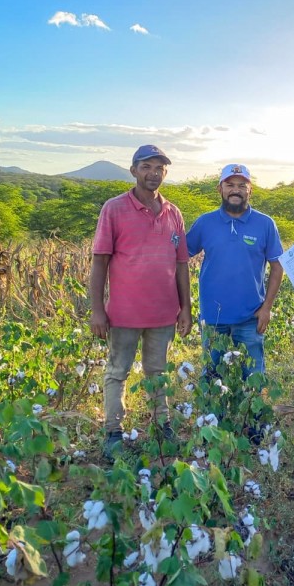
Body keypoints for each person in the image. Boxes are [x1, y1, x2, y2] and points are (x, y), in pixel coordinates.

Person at [90, 145, 192, 458]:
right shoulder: (115, 208)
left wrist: (185, 307)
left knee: (157, 371)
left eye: (159, 168)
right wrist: (97, 310)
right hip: (123, 313)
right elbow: (100, 261)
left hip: (163, 312)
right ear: (133, 170)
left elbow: (181, 264)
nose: (153, 173)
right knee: (117, 371)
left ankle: (162, 425)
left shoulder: (173, 212)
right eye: (146, 166)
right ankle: (113, 432)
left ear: (166, 172)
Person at [186, 164, 284, 379]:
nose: (236, 190)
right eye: (230, 185)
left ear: (250, 191)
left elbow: (277, 266)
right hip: (213, 317)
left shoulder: (265, 224)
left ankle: (252, 415)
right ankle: (215, 415)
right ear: (219, 189)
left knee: (252, 379)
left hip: (250, 316)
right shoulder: (205, 222)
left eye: (242, 185)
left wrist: (266, 308)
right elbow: (180, 257)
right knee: (212, 379)